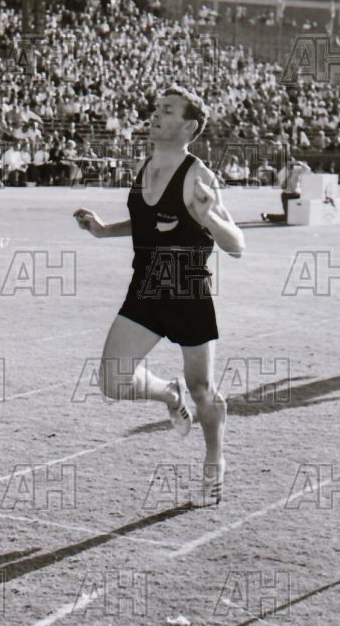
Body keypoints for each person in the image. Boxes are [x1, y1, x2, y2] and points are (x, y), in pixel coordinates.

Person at [74, 86, 245, 506]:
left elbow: (237, 244)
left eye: (167, 111)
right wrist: (104, 230)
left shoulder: (198, 176)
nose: (155, 115)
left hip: (187, 291)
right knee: (113, 381)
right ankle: (168, 393)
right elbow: (149, 221)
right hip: (146, 287)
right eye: (156, 109)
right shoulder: (146, 165)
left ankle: (214, 462)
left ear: (188, 126)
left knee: (202, 389)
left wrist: (208, 216)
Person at [261, 158, 311, 223]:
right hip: (286, 195)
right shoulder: (282, 172)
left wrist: (299, 163)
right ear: (285, 164)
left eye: (292, 163)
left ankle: (267, 215)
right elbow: (282, 185)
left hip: (296, 194)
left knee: (297, 214)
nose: (291, 165)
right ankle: (267, 215)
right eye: (289, 163)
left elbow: (308, 169)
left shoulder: (296, 170)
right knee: (288, 217)